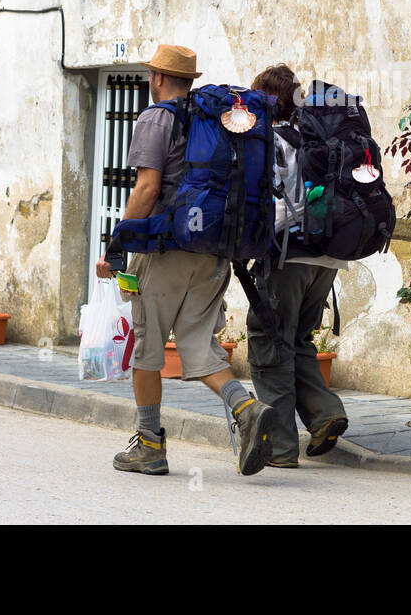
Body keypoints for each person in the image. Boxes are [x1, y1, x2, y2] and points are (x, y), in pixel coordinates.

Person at [95, 43, 277, 477]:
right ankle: (247, 409)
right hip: (214, 251)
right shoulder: (209, 119)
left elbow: (147, 189)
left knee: (148, 348)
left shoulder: (157, 117)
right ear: (189, 81)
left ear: (157, 78)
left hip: (166, 251)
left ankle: (149, 445)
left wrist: (117, 247)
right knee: (197, 345)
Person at [246, 64, 350, 468]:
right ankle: (325, 414)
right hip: (329, 257)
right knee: (299, 339)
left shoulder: (270, 140)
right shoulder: (320, 136)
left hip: (290, 254)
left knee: (269, 342)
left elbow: (269, 205)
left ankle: (281, 448)